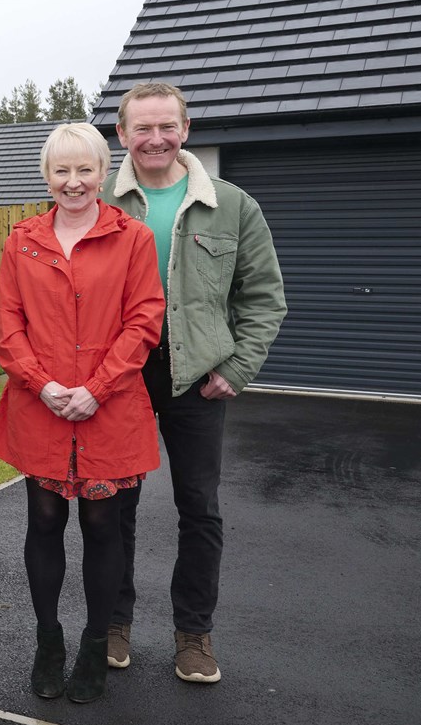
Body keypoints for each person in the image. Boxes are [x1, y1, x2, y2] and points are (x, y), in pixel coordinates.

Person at [107, 81, 286, 683]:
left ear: (186, 131)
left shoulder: (233, 206)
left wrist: (236, 369)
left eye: (166, 127)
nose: (154, 139)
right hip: (121, 379)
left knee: (199, 509)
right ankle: (112, 624)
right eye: (141, 128)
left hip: (197, 378)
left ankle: (194, 636)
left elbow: (264, 299)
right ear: (121, 135)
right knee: (115, 507)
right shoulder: (98, 202)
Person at [0, 123, 165, 704]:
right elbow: (8, 325)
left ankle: (94, 643)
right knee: (42, 523)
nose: (73, 182)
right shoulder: (22, 241)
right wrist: (41, 385)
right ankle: (48, 642)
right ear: (46, 176)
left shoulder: (132, 238)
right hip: (42, 408)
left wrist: (98, 388)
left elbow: (144, 321)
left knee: (101, 526)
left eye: (84, 170)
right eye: (61, 171)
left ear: (102, 173)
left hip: (107, 408)